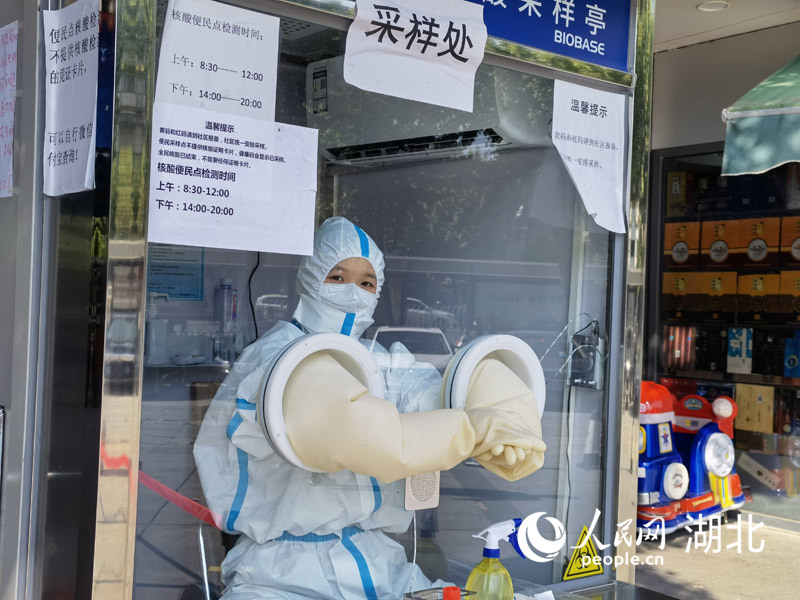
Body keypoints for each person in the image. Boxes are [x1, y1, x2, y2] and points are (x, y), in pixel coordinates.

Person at [194, 217, 546, 599]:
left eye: (366, 283)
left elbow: (432, 396)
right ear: (309, 278)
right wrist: (473, 429)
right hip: (280, 575)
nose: (353, 293)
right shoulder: (276, 360)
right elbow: (370, 436)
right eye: (337, 277)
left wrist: (504, 414)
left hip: (379, 564)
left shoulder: (378, 361)